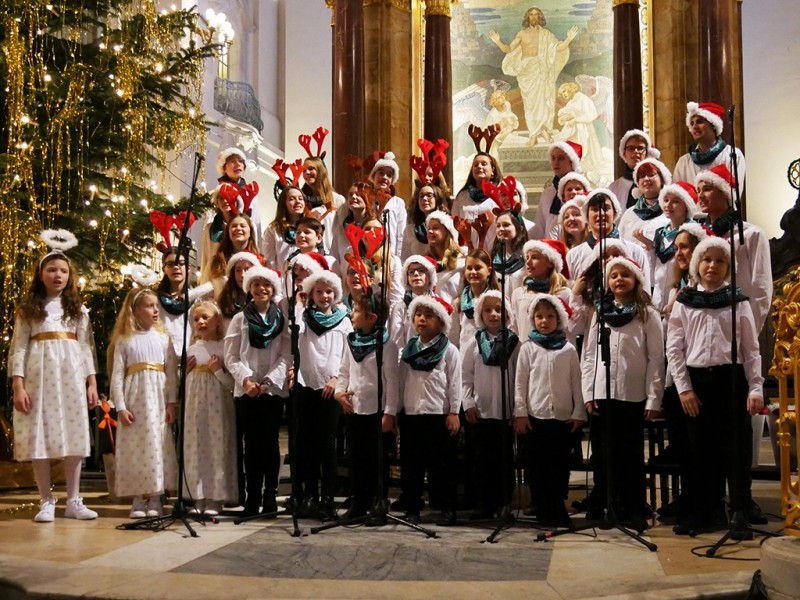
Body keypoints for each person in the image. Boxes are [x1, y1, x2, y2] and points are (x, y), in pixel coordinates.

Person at [666, 236, 763, 537]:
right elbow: (674, 348)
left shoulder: (737, 301)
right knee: (700, 451)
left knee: (735, 449)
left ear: (728, 267)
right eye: (706, 260)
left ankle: (738, 511)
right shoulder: (685, 301)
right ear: (696, 265)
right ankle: (705, 511)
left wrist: (756, 387)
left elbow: (751, 349)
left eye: (720, 261)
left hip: (730, 380)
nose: (713, 266)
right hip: (696, 383)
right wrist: (684, 388)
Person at [10, 234, 99, 522]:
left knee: (73, 434)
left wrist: (92, 382)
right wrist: (18, 385)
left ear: (69, 275)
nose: (57, 275)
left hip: (70, 376)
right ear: (41, 274)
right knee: (41, 436)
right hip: (39, 376)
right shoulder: (29, 310)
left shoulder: (78, 310)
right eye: (51, 270)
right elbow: (19, 347)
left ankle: (74, 500)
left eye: (62, 270)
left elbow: (85, 347)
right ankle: (46, 500)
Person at [581, 257, 664, 528]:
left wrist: (654, 396)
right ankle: (608, 504)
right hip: (603, 392)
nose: (619, 280)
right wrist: (589, 391)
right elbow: (590, 354)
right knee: (604, 453)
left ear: (636, 280)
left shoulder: (647, 313)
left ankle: (633, 506)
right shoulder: (600, 312)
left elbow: (655, 358)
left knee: (630, 454)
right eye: (614, 275)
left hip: (632, 394)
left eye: (625, 275)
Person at [383, 294, 462, 526]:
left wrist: (454, 411)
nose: (422, 320)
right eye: (418, 315)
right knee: (412, 465)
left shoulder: (449, 350)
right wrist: (396, 411)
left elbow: (454, 382)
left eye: (429, 316)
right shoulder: (408, 350)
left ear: (441, 322)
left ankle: (446, 506)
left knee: (442, 465)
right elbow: (400, 382)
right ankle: (412, 506)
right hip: (413, 415)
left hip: (439, 414)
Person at [514, 294, 585, 527]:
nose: (544, 321)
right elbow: (520, 383)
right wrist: (521, 412)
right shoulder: (527, 348)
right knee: (537, 464)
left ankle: (558, 505)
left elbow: (577, 382)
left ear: (559, 319)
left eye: (550, 316)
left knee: (559, 465)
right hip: (536, 416)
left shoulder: (568, 349)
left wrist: (578, 412)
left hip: (562, 417)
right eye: (539, 316)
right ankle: (542, 506)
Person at [224, 266, 289, 517]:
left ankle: (270, 495)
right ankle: (252, 497)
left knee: (270, 444)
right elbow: (231, 356)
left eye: (267, 285)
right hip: (247, 391)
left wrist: (269, 382)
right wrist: (247, 380)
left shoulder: (280, 319)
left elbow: (285, 355)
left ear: (273, 290)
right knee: (251, 445)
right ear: (249, 288)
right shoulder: (240, 319)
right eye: (257, 284)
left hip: (271, 391)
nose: (262, 289)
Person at [110, 287, 178, 518]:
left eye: (156, 306)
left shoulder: (163, 338)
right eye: (150, 306)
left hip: (157, 398)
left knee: (157, 443)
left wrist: (171, 402)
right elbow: (117, 375)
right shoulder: (125, 340)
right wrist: (120, 406)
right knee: (136, 446)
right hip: (134, 398)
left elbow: (171, 372)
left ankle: (157, 494)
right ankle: (139, 496)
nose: (155, 310)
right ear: (135, 310)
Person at [334, 293, 399, 520]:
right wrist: (339, 392)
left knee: (377, 460)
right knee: (357, 458)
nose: (352, 314)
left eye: (357, 311)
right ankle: (358, 503)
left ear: (371, 317)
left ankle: (378, 502)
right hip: (355, 410)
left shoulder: (387, 344)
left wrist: (390, 412)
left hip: (378, 411)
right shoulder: (350, 341)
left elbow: (392, 381)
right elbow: (344, 372)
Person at [295, 267, 353, 519]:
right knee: (306, 443)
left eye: (329, 291)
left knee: (327, 444)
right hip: (305, 385)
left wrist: (336, 379)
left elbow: (347, 355)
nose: (324, 296)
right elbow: (294, 342)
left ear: (336, 294)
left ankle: (328, 497)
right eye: (318, 291)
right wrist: (298, 306)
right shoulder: (303, 317)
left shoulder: (344, 319)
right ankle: (309, 495)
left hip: (331, 387)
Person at [462, 291, 519, 520]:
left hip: (506, 412)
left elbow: (519, 378)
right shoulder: (473, 343)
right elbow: (466, 376)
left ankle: (504, 503)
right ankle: (484, 503)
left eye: (498, 309)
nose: (494, 314)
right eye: (488, 310)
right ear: (480, 314)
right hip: (481, 411)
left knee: (504, 461)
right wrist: (468, 402)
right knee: (481, 461)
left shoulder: (515, 343)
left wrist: (518, 409)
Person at [695, 164, 771, 331]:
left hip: (738, 324)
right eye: (698, 190)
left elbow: (761, 290)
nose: (700, 195)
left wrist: (749, 332)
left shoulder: (752, 235)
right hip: (706, 325)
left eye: (707, 189)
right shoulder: (700, 236)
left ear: (725, 193)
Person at [488, 7, 578, 145]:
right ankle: (533, 135)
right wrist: (497, 41)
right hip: (527, 73)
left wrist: (569, 39)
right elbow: (509, 49)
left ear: (540, 17)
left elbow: (558, 48)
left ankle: (544, 132)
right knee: (530, 106)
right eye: (531, 14)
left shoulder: (546, 34)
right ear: (527, 17)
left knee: (544, 102)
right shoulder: (522, 34)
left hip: (542, 72)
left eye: (536, 14)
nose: (534, 17)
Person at [183, 301, 237, 516]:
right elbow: (186, 384)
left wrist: (217, 371)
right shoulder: (191, 349)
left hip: (218, 405)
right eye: (196, 319)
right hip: (194, 406)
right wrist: (185, 373)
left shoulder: (224, 347)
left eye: (205, 317)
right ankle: (198, 495)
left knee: (216, 446)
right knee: (196, 446)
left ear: (217, 321)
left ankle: (215, 497)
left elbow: (232, 385)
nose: (200, 322)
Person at [566, 189, 652, 297]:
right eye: (595, 209)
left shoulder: (635, 251)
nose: (601, 213)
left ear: (615, 212)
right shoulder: (574, 255)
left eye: (606, 209)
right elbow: (570, 298)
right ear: (586, 215)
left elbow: (645, 293)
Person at [200, 148, 261, 271]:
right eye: (232, 161)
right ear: (224, 167)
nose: (237, 164)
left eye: (240, 161)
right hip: (218, 251)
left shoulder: (251, 195)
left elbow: (256, 227)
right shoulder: (215, 194)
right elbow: (209, 225)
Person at [649, 182, 698, 313]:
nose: (668, 205)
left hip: (682, 296)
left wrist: (674, 299)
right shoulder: (660, 233)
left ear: (686, 206)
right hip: (658, 296)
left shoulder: (693, 232)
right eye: (666, 200)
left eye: (675, 201)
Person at [673, 101, 746, 190]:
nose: (694, 127)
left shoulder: (733, 155)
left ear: (713, 125)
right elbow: (677, 196)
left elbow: (734, 194)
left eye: (699, 122)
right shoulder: (683, 163)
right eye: (691, 123)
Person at [157, 247, 213, 357]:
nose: (176, 267)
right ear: (164, 269)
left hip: (191, 359)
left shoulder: (198, 299)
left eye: (181, 263)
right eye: (171, 264)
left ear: (188, 267)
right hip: (163, 359)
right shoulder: (156, 300)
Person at [511, 239, 572, 339]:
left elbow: (569, 331)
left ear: (550, 263)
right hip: (527, 351)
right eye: (527, 258)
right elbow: (516, 329)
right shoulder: (518, 294)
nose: (528, 262)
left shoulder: (564, 294)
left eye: (535, 257)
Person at [531, 142, 583, 240]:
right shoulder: (548, 193)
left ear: (571, 161)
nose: (556, 162)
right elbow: (540, 225)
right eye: (553, 158)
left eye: (561, 158)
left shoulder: (581, 191)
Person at [451, 249, 500, 349]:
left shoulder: (497, 299)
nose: (473, 272)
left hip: (491, 353)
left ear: (489, 271)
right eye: (469, 268)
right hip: (465, 354)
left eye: (478, 268)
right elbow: (454, 335)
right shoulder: (459, 302)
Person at [618, 158, 672, 248]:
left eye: (651, 175)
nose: (646, 179)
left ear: (662, 180)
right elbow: (620, 244)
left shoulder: (670, 211)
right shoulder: (629, 213)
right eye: (642, 176)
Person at [389, 255, 438, 354]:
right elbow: (397, 344)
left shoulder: (439, 304)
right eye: (411, 272)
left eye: (421, 271)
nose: (416, 274)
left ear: (429, 276)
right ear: (406, 278)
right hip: (409, 363)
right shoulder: (400, 307)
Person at [201, 213, 260, 295]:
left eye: (242, 226)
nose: (238, 228)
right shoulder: (216, 261)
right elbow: (204, 293)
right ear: (228, 232)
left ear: (250, 232)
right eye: (234, 226)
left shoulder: (259, 261)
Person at [302, 155, 345, 254]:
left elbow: (343, 232)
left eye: (311, 169)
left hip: (332, 256)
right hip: (309, 254)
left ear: (320, 171)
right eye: (304, 170)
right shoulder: (302, 202)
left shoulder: (337, 200)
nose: (307, 173)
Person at [609, 129, 660, 213]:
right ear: (624, 153)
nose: (636, 152)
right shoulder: (614, 188)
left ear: (646, 153)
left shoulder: (656, 183)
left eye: (640, 148)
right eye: (631, 148)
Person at [369, 151, 407, 257]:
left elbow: (401, 234)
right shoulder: (366, 198)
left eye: (389, 175)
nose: (385, 177)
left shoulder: (398, 203)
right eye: (381, 173)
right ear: (374, 175)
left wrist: (397, 258)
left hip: (390, 255)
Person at [262, 186, 307, 271]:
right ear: (284, 204)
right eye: (292, 199)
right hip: (283, 280)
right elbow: (269, 261)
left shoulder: (311, 227)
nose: (298, 202)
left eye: (300, 199)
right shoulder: (273, 229)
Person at [425, 210, 465, 304]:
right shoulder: (426, 263)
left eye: (435, 228)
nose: (430, 231)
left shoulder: (463, 260)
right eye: (428, 228)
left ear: (448, 232)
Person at [330, 183, 376, 264]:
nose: (353, 197)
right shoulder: (341, 230)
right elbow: (334, 257)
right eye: (350, 195)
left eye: (358, 194)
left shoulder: (374, 227)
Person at [401, 183, 449, 261]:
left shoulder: (448, 225)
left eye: (429, 195)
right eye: (421, 196)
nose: (425, 199)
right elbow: (404, 259)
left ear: (437, 199)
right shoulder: (409, 230)